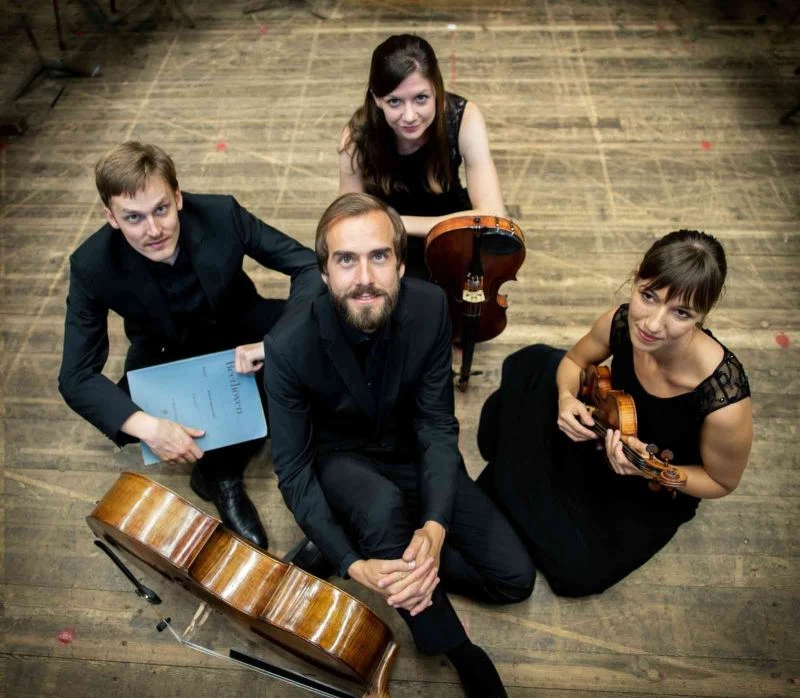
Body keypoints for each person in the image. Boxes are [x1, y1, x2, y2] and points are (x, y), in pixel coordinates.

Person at [242, 193, 533, 697]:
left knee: (513, 579)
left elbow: (436, 424)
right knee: (380, 508)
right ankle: (457, 647)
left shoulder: (431, 307)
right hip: (342, 460)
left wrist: (434, 528)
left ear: (400, 264)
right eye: (346, 260)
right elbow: (294, 470)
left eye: (378, 256)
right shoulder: (287, 345)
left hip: (410, 450)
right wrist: (353, 563)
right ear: (324, 272)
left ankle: (380, 545)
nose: (364, 277)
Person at [58, 141, 321, 549]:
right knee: (128, 411)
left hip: (241, 326)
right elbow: (75, 377)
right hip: (167, 351)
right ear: (111, 218)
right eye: (133, 217)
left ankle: (230, 455)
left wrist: (273, 345)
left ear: (178, 198)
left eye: (161, 209)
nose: (153, 230)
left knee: (316, 343)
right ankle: (221, 476)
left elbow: (307, 265)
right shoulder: (91, 264)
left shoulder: (221, 214)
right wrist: (151, 428)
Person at [476, 230, 753, 597]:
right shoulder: (620, 322)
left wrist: (653, 470)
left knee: (577, 575)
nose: (652, 324)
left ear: (703, 314)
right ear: (637, 277)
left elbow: (722, 482)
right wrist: (566, 400)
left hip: (649, 487)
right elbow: (575, 361)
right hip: (601, 431)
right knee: (540, 371)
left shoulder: (724, 400)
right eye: (648, 296)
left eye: (681, 313)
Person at [339, 33, 505, 279]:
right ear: (376, 99)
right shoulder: (357, 137)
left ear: (437, 89)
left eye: (420, 98)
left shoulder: (464, 118)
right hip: (385, 241)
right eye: (394, 101)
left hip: (449, 228)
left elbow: (494, 217)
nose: (409, 116)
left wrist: (397, 222)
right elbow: (347, 220)